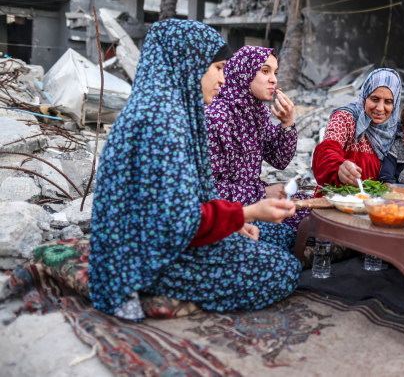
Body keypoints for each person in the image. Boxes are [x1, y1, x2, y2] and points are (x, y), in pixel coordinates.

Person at [88, 20, 301, 321]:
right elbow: (176, 223)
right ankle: (148, 290)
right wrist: (246, 213)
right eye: (217, 67)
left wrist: (234, 222)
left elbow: (185, 200)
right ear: (188, 63)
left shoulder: (167, 109)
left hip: (163, 238)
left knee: (281, 240)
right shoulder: (162, 124)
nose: (224, 79)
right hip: (146, 257)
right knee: (284, 270)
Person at [205, 46, 308, 232]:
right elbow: (209, 190)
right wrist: (262, 193)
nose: (274, 79)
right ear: (244, 73)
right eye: (265, 70)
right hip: (230, 213)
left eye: (275, 72)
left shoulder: (256, 111)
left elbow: (280, 160)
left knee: (309, 211)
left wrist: (287, 123)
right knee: (299, 230)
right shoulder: (216, 116)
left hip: (253, 199)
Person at [312, 68, 404, 192]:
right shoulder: (345, 119)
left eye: (388, 102)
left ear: (395, 104)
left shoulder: (400, 130)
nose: (379, 108)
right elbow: (326, 151)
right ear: (364, 96)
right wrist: (339, 167)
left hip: (379, 207)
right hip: (339, 200)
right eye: (374, 99)